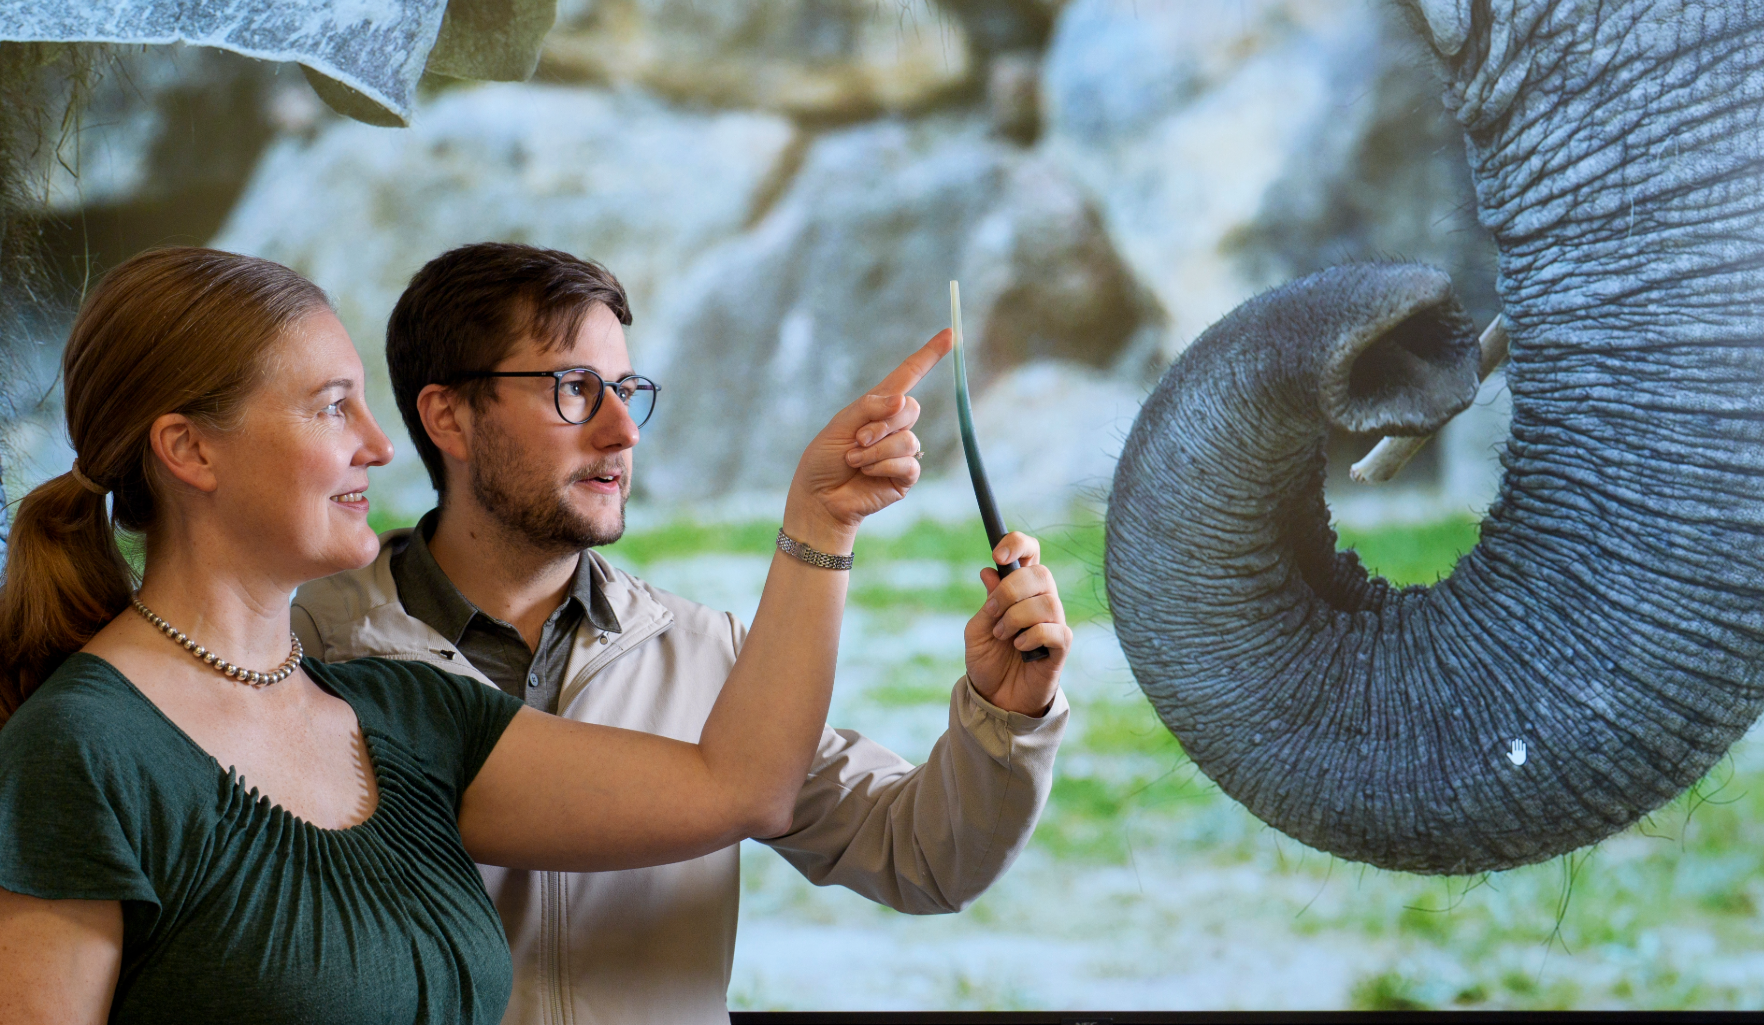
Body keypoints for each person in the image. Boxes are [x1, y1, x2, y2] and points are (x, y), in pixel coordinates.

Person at [0, 246, 948, 1024]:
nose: (378, 445)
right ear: (189, 449)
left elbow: (742, 787)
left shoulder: (403, 714)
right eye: (334, 407)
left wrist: (820, 525)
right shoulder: (80, 750)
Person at [291, 242, 1074, 1025]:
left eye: (628, 390)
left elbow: (925, 858)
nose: (623, 431)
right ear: (448, 417)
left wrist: (1003, 715)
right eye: (575, 389)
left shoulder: (708, 655)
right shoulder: (308, 654)